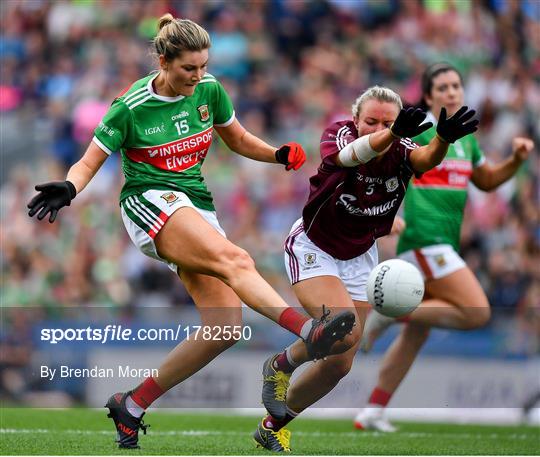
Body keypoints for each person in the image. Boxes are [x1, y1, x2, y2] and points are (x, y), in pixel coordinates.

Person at [26, 14, 357, 449]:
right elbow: (89, 161)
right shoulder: (130, 108)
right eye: (189, 68)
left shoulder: (209, 90)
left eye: (203, 66)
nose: (199, 76)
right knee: (237, 260)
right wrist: (70, 186)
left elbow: (236, 138)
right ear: (163, 61)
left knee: (224, 329)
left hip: (195, 205)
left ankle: (133, 403)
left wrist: (276, 153)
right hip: (148, 201)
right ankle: (306, 331)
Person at [250, 85, 479, 452]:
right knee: (344, 330)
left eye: (387, 121)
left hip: (359, 256)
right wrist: (393, 132)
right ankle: (280, 364)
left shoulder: (403, 148)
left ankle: (273, 425)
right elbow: (350, 156)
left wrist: (443, 139)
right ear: (355, 119)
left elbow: (424, 161)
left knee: (340, 364)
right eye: (370, 121)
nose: (377, 128)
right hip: (315, 246)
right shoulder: (337, 134)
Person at [354, 63, 535, 432]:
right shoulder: (420, 131)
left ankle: (372, 410)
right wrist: (385, 216)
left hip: (443, 244)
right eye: (443, 87)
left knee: (416, 336)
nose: (452, 92)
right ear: (429, 96)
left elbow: (484, 181)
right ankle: (392, 311)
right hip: (424, 239)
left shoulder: (466, 139)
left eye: (456, 85)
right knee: (477, 312)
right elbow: (382, 162)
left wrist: (516, 160)